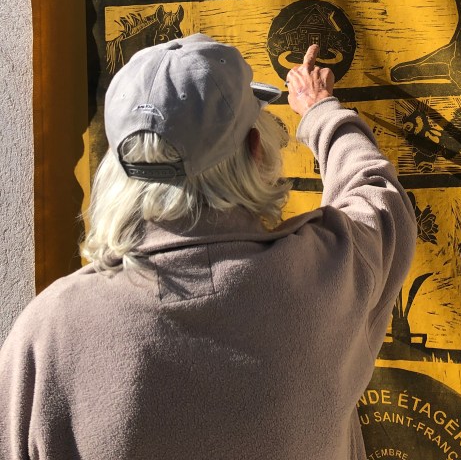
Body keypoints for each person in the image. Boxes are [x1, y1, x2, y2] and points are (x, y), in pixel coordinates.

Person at [0, 33, 417, 459]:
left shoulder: (48, 334)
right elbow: (379, 201)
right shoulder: (326, 275)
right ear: (255, 149)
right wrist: (320, 110)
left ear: (117, 165)